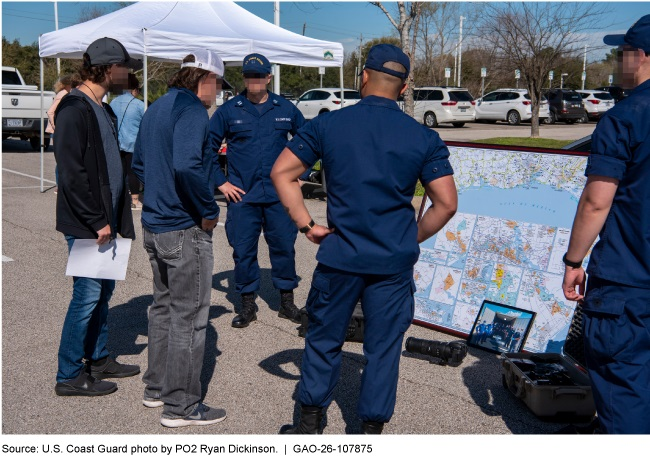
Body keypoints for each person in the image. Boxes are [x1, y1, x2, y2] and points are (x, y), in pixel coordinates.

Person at [271, 44, 458, 434]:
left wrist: (307, 225)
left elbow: (282, 174)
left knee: (324, 339)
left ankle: (309, 424)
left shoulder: (327, 125)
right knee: (384, 349)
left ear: (364, 77)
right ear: (405, 87)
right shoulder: (423, 137)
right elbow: (446, 203)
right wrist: (412, 236)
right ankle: (370, 431)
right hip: (391, 263)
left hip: (340, 257)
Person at [562, 15, 650, 434]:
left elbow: (597, 203)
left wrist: (573, 259)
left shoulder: (627, 116)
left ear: (641, 56)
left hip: (629, 282)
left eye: (622, 54)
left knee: (624, 387)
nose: (618, 62)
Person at [132, 50, 227, 428]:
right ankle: (182, 406)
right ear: (205, 79)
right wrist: (207, 209)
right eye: (218, 84)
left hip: (155, 226)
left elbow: (139, 162)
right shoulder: (190, 110)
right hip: (183, 227)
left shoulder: (157, 107)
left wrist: (156, 193)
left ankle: (156, 388)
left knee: (164, 309)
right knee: (189, 317)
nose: (218, 93)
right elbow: (188, 164)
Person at [53, 37, 141, 397]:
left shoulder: (102, 108)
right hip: (90, 224)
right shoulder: (74, 109)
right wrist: (96, 219)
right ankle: (69, 374)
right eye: (124, 67)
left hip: (107, 222)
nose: (128, 73)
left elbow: (112, 163)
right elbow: (71, 173)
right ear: (107, 68)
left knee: (103, 293)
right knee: (87, 296)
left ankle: (99, 358)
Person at [209, 53, 306, 328]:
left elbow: (308, 140)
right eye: (249, 76)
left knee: (284, 247)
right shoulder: (229, 111)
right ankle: (247, 303)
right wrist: (221, 182)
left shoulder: (285, 108)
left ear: (268, 78)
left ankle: (286, 302)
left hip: (279, 196)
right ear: (244, 79)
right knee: (243, 250)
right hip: (244, 196)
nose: (254, 81)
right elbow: (208, 149)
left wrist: (301, 175)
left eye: (259, 76)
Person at [110, 73, 145, 210]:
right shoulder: (139, 105)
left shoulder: (113, 102)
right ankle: (135, 200)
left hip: (117, 142)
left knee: (120, 171)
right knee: (132, 171)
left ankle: (119, 197)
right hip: (133, 143)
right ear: (135, 89)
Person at [46, 74, 75, 193]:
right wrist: (56, 126)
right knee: (61, 159)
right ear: (68, 85)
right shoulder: (63, 94)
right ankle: (59, 185)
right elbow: (50, 112)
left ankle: (63, 183)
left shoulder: (66, 94)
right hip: (57, 131)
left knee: (64, 158)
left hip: (60, 131)